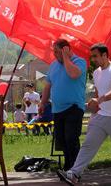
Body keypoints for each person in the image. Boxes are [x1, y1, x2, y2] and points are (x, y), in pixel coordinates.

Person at [57, 43, 111, 184]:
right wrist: (94, 108)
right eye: (92, 56)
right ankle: (74, 174)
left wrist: (100, 99)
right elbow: (98, 94)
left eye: (95, 56)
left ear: (105, 55)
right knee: (88, 146)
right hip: (100, 117)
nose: (93, 59)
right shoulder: (96, 73)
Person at [39, 39, 86, 171]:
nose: (55, 54)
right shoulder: (53, 65)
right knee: (61, 140)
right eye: (54, 52)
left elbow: (73, 74)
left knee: (71, 138)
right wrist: (43, 103)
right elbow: (48, 86)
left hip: (74, 107)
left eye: (57, 51)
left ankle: (76, 169)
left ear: (66, 49)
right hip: (57, 109)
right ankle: (68, 166)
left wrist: (65, 57)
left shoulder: (79, 62)